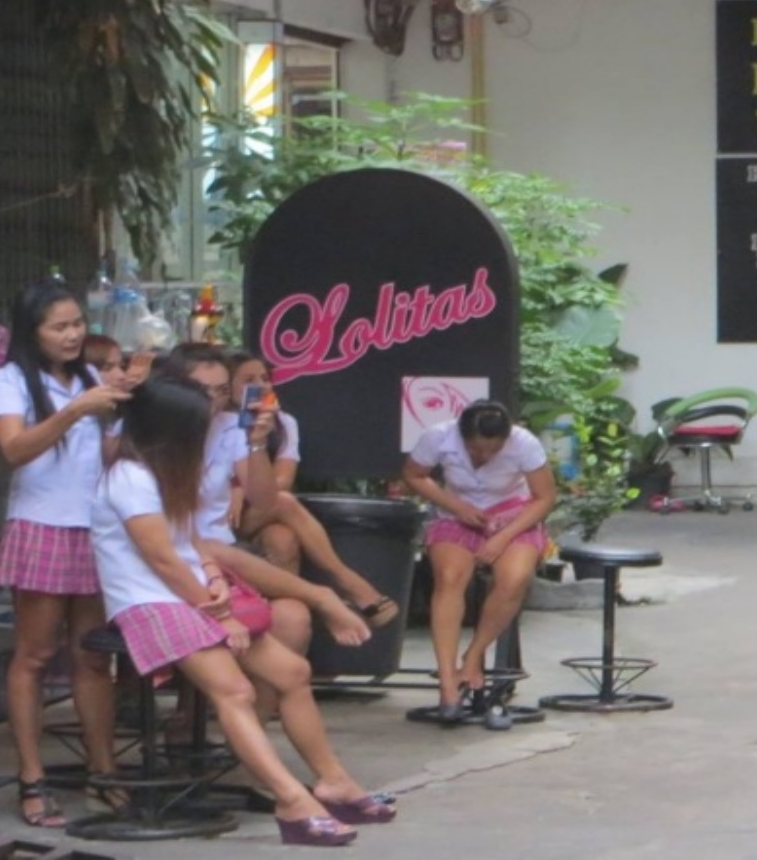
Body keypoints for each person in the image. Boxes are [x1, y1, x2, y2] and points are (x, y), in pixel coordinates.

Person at [93, 374, 394, 847]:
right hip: (149, 601)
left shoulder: (164, 469)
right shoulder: (129, 476)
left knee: (292, 671)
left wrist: (214, 578)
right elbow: (161, 559)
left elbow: (189, 542)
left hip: (191, 592)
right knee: (233, 690)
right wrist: (216, 611)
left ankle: (332, 780)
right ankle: (292, 800)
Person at [0, 281, 130, 828]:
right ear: (32, 332)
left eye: (76, 324)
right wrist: (76, 410)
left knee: (94, 657)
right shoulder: (10, 380)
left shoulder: (90, 377)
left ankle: (104, 771)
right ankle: (31, 777)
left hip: (95, 529)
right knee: (36, 657)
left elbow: (106, 455)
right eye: (59, 327)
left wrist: (124, 405)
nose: (72, 335)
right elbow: (14, 449)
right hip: (42, 527)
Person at [176, 344, 399, 628]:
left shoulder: (268, 425)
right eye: (248, 381)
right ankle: (343, 587)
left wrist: (253, 451)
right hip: (209, 529)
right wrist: (235, 485)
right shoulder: (175, 424)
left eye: (264, 378)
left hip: (250, 513)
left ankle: (308, 606)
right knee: (284, 504)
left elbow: (278, 485)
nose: (259, 386)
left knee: (282, 536)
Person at [400, 401, 557, 720]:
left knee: (513, 579)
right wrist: (455, 506)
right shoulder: (438, 436)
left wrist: (501, 538)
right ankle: (446, 680)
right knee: (449, 579)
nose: (483, 456)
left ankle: (473, 657)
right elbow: (414, 476)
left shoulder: (524, 443)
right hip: (458, 514)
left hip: (513, 517)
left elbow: (545, 498)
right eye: (475, 449)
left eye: (492, 450)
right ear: (462, 435)